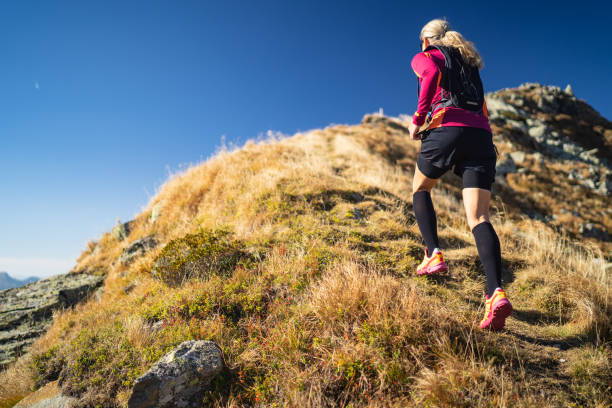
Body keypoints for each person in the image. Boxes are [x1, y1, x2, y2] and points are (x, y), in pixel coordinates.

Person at [409, 18, 512, 330]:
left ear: (426, 40)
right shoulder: (471, 66)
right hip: (480, 136)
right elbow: (483, 109)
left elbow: (428, 76)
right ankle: (495, 293)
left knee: (421, 189)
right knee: (479, 218)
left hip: (446, 127)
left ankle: (433, 254)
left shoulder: (427, 55)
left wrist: (418, 117)